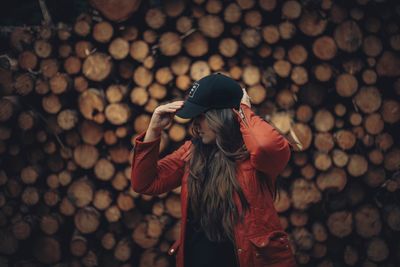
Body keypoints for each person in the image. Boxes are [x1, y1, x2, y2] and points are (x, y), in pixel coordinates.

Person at [131, 73, 298, 267]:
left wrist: (243, 110)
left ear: (222, 116)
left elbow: (265, 145)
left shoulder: (253, 157)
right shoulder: (192, 151)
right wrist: (153, 130)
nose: (195, 125)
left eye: (202, 117)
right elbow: (144, 183)